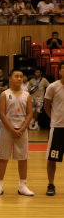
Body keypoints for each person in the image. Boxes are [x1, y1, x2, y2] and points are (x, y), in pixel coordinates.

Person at [0, 69, 34, 197]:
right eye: (16, 76)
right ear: (10, 78)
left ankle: (23, 186)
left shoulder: (27, 95)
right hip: (7, 130)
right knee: (3, 158)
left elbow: (30, 113)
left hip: (22, 130)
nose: (19, 79)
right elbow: (1, 114)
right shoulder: (4, 94)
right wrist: (12, 130)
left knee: (23, 158)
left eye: (21, 76)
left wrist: (21, 129)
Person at [44, 62, 64, 196]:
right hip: (57, 127)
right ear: (60, 71)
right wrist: (55, 119)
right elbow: (46, 106)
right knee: (52, 158)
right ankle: (51, 184)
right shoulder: (52, 87)